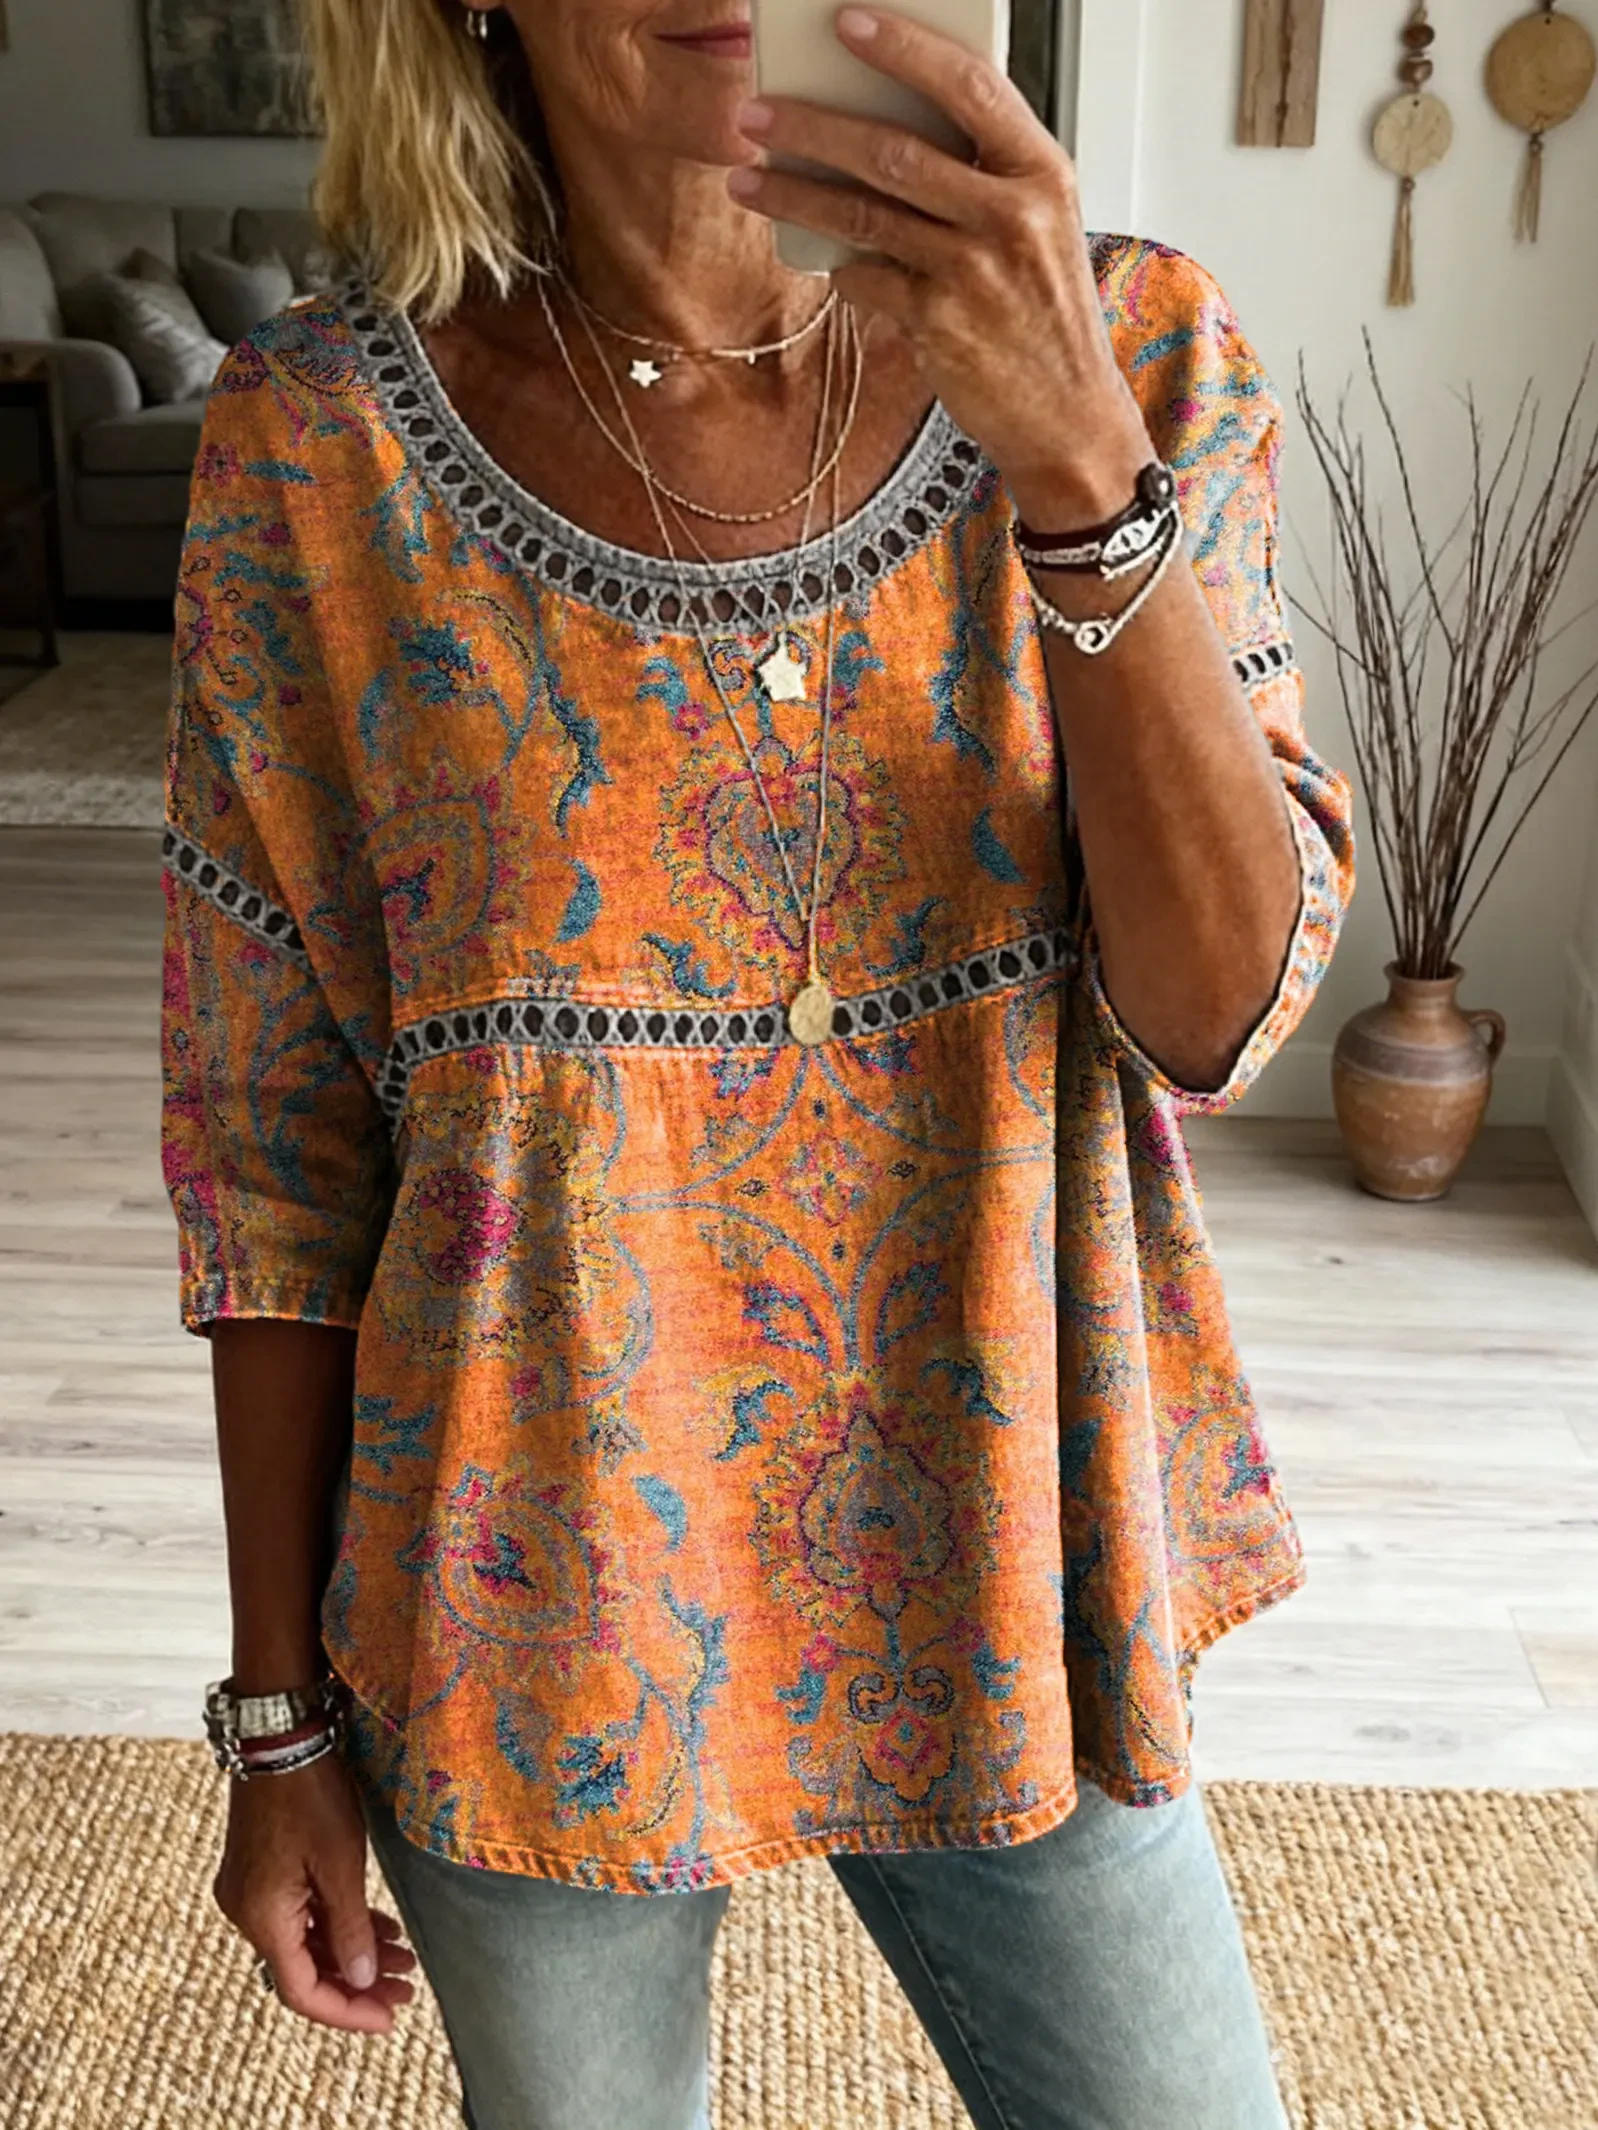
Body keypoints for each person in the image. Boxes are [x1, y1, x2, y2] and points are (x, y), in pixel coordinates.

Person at [160, 4, 1356, 2126]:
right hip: (534, 1586)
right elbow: (274, 1152)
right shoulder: (313, 445)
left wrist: (1077, 468)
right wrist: (278, 1720)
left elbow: (1220, 1011)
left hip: (1008, 1539)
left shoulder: (1128, 346)